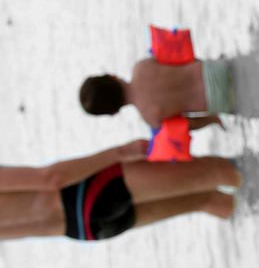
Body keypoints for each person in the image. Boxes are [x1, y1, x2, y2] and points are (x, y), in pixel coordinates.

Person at [0, 140, 241, 241]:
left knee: (207, 200)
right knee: (218, 171)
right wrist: (119, 153)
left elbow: (34, 227)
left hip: (88, 229)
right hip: (90, 192)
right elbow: (50, 179)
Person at [79, 57, 233, 130]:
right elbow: (183, 57)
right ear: (111, 76)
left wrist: (213, 119)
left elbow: (190, 124)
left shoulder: (150, 117)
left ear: (113, 112)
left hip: (218, 101)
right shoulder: (141, 67)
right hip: (214, 70)